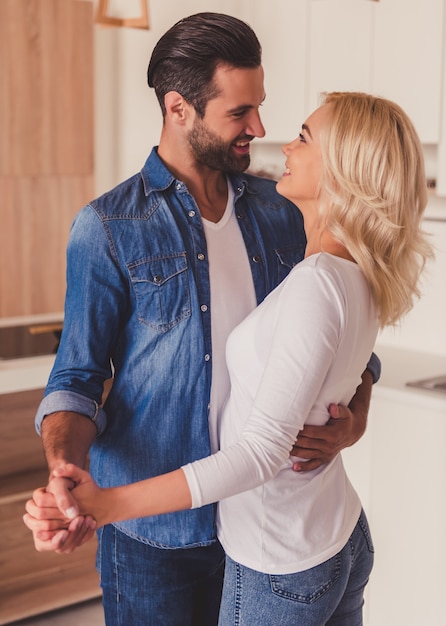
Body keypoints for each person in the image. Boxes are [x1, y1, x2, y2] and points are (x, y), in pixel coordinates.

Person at [23, 14, 379, 626]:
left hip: (259, 526)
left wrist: (355, 421)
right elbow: (76, 378)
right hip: (152, 536)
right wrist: (66, 470)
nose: (259, 128)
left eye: (259, 107)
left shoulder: (284, 211)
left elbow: (348, 344)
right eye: (239, 112)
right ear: (179, 108)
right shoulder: (107, 227)